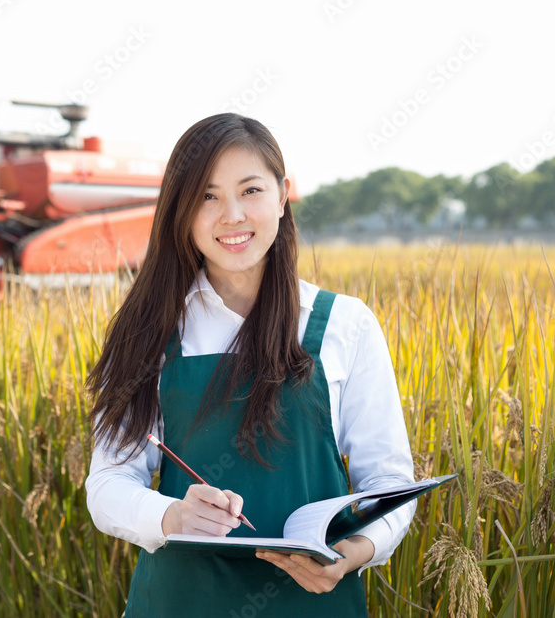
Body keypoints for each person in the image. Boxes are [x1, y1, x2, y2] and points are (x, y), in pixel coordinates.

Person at [84, 113, 415, 616]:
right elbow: (108, 483)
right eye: (207, 196)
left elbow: (388, 483)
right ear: (181, 211)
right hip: (180, 602)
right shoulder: (150, 331)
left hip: (313, 603)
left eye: (250, 190)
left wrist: (352, 554)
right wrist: (172, 514)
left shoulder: (345, 324)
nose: (231, 215)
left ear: (283, 196)